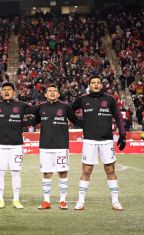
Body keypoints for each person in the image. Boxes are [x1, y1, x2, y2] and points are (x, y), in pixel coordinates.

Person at [71, 75, 126, 210]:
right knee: (86, 170)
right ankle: (81, 201)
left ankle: (115, 201)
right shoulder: (82, 99)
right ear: (89, 85)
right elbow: (68, 110)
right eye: (93, 83)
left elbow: (118, 117)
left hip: (106, 140)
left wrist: (122, 134)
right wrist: (78, 122)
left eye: (98, 83)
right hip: (89, 141)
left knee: (110, 169)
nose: (96, 85)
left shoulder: (110, 99)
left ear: (102, 85)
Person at [0, 82, 35, 209]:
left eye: (9, 90)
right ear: (0, 92)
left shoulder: (21, 105)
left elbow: (37, 113)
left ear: (14, 92)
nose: (6, 92)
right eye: (4, 90)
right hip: (0, 146)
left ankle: (16, 200)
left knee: (16, 172)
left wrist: (24, 124)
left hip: (16, 145)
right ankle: (0, 200)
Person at [32, 84, 80, 210]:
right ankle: (46, 201)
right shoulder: (40, 107)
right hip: (45, 146)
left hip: (61, 146)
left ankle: (62, 200)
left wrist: (91, 125)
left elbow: (76, 120)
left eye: (55, 91)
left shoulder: (65, 107)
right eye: (50, 91)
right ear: (46, 94)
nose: (52, 93)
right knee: (46, 173)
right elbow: (34, 121)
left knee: (62, 172)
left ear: (58, 94)